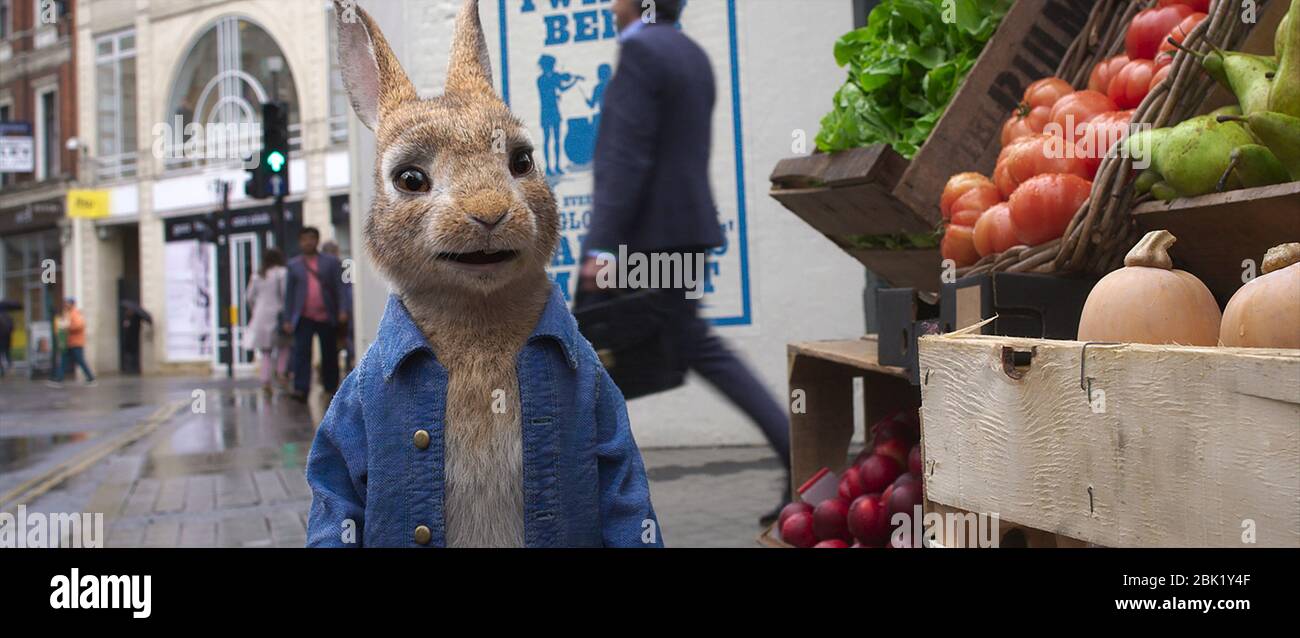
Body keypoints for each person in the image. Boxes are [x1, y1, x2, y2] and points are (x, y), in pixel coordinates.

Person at [577, 0, 793, 524]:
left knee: (589, 349)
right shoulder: (691, 53)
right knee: (678, 346)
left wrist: (601, 248)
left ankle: (568, 495)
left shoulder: (641, 54)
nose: (610, 5)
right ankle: (800, 456)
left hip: (646, 245)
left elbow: (625, 159)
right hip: (683, 234)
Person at [282, 227, 347, 401]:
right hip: (303, 317)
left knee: (329, 353)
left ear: (317, 240)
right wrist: (287, 318)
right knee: (302, 353)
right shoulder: (294, 265)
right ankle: (301, 388)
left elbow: (340, 287)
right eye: (304, 239)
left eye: (311, 238)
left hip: (327, 315)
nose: (308, 242)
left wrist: (342, 310)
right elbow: (289, 295)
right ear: (299, 242)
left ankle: (331, 387)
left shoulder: (331, 262)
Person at [247, 247, 290, 393]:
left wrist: (255, 309)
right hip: (277, 315)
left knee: (266, 351)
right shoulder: (282, 273)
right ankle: (281, 372)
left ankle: (265, 380)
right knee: (284, 346)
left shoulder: (257, 275)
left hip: (260, 317)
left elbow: (249, 297)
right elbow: (285, 295)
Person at [319, 240, 355, 376]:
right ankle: (348, 365)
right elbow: (347, 289)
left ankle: (346, 367)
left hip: (333, 313)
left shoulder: (337, 267)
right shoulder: (341, 267)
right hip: (339, 312)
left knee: (337, 344)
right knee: (346, 340)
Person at [46, 297, 96, 387]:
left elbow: (79, 325)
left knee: (80, 361)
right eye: (65, 303)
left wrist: (67, 326)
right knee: (64, 360)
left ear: (72, 304)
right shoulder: (68, 313)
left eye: (67, 303)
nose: (65, 305)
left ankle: (91, 378)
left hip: (76, 343)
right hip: (69, 342)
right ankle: (59, 378)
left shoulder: (75, 313)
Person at [0, 309, 12, 378]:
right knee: (7, 354)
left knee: (2, 355)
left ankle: (2, 371)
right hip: (7, 340)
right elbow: (11, 328)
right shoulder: (8, 319)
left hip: (3, 341)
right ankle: (9, 368)